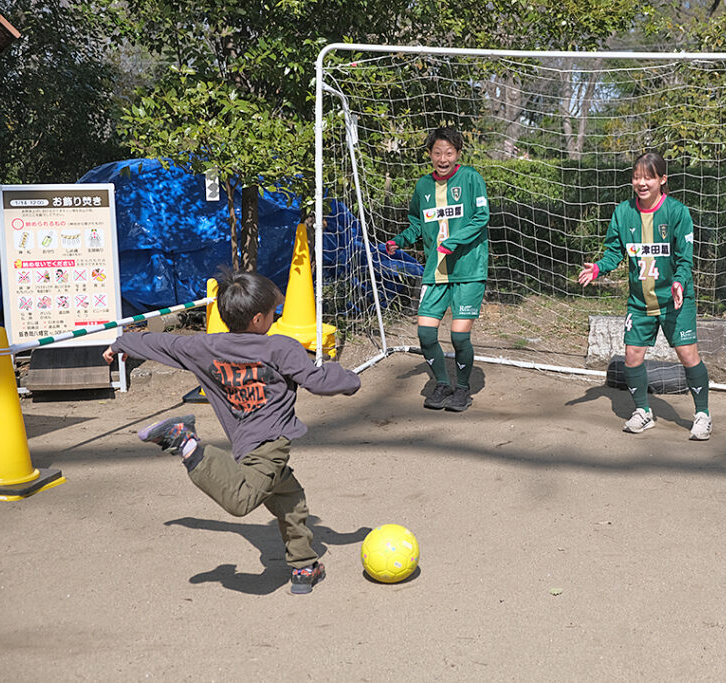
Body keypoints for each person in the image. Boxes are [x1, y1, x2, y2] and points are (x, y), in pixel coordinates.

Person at [103, 270, 361, 594]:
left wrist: (122, 343)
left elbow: (164, 344)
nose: (275, 317)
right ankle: (187, 443)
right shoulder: (281, 348)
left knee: (291, 500)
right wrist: (350, 380)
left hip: (248, 444)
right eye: (273, 312)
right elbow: (318, 381)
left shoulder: (205, 347)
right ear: (258, 319)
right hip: (269, 444)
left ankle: (304, 566)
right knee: (241, 500)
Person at [578, 151, 712, 440]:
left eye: (648, 177)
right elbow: (614, 252)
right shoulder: (623, 213)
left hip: (675, 299)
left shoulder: (677, 212)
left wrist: (678, 282)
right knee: (632, 355)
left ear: (662, 180)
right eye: (636, 177)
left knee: (688, 355)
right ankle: (643, 411)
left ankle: (702, 415)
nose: (641, 182)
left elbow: (685, 259)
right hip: (640, 301)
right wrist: (598, 268)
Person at [385, 126, 490, 412]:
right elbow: (417, 225)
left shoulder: (471, 178)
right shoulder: (423, 186)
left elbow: (481, 216)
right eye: (437, 153)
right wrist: (399, 240)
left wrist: (453, 242)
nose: (443, 159)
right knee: (426, 335)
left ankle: (463, 389)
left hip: (468, 270)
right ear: (430, 154)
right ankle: (442, 383)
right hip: (436, 271)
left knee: (459, 336)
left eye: (449, 153)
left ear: (458, 153)